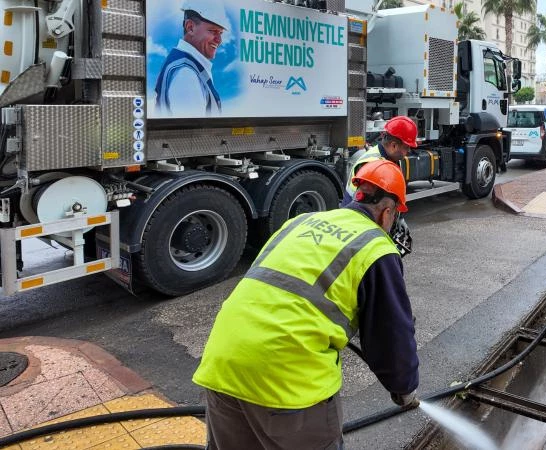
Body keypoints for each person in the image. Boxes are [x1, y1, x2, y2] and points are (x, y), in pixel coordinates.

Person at [193, 160, 420, 450]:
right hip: (287, 383)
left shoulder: (300, 222)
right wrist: (404, 388)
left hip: (222, 365)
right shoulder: (376, 247)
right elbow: (391, 334)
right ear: (388, 212)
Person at [154, 1, 227, 117]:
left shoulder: (189, 66)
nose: (219, 40)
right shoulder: (186, 74)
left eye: (221, 33)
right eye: (213, 31)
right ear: (190, 27)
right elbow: (194, 133)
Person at [341, 116, 418, 206]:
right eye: (406, 147)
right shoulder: (373, 166)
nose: (409, 150)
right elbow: (369, 208)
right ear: (394, 146)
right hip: (356, 216)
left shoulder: (391, 159)